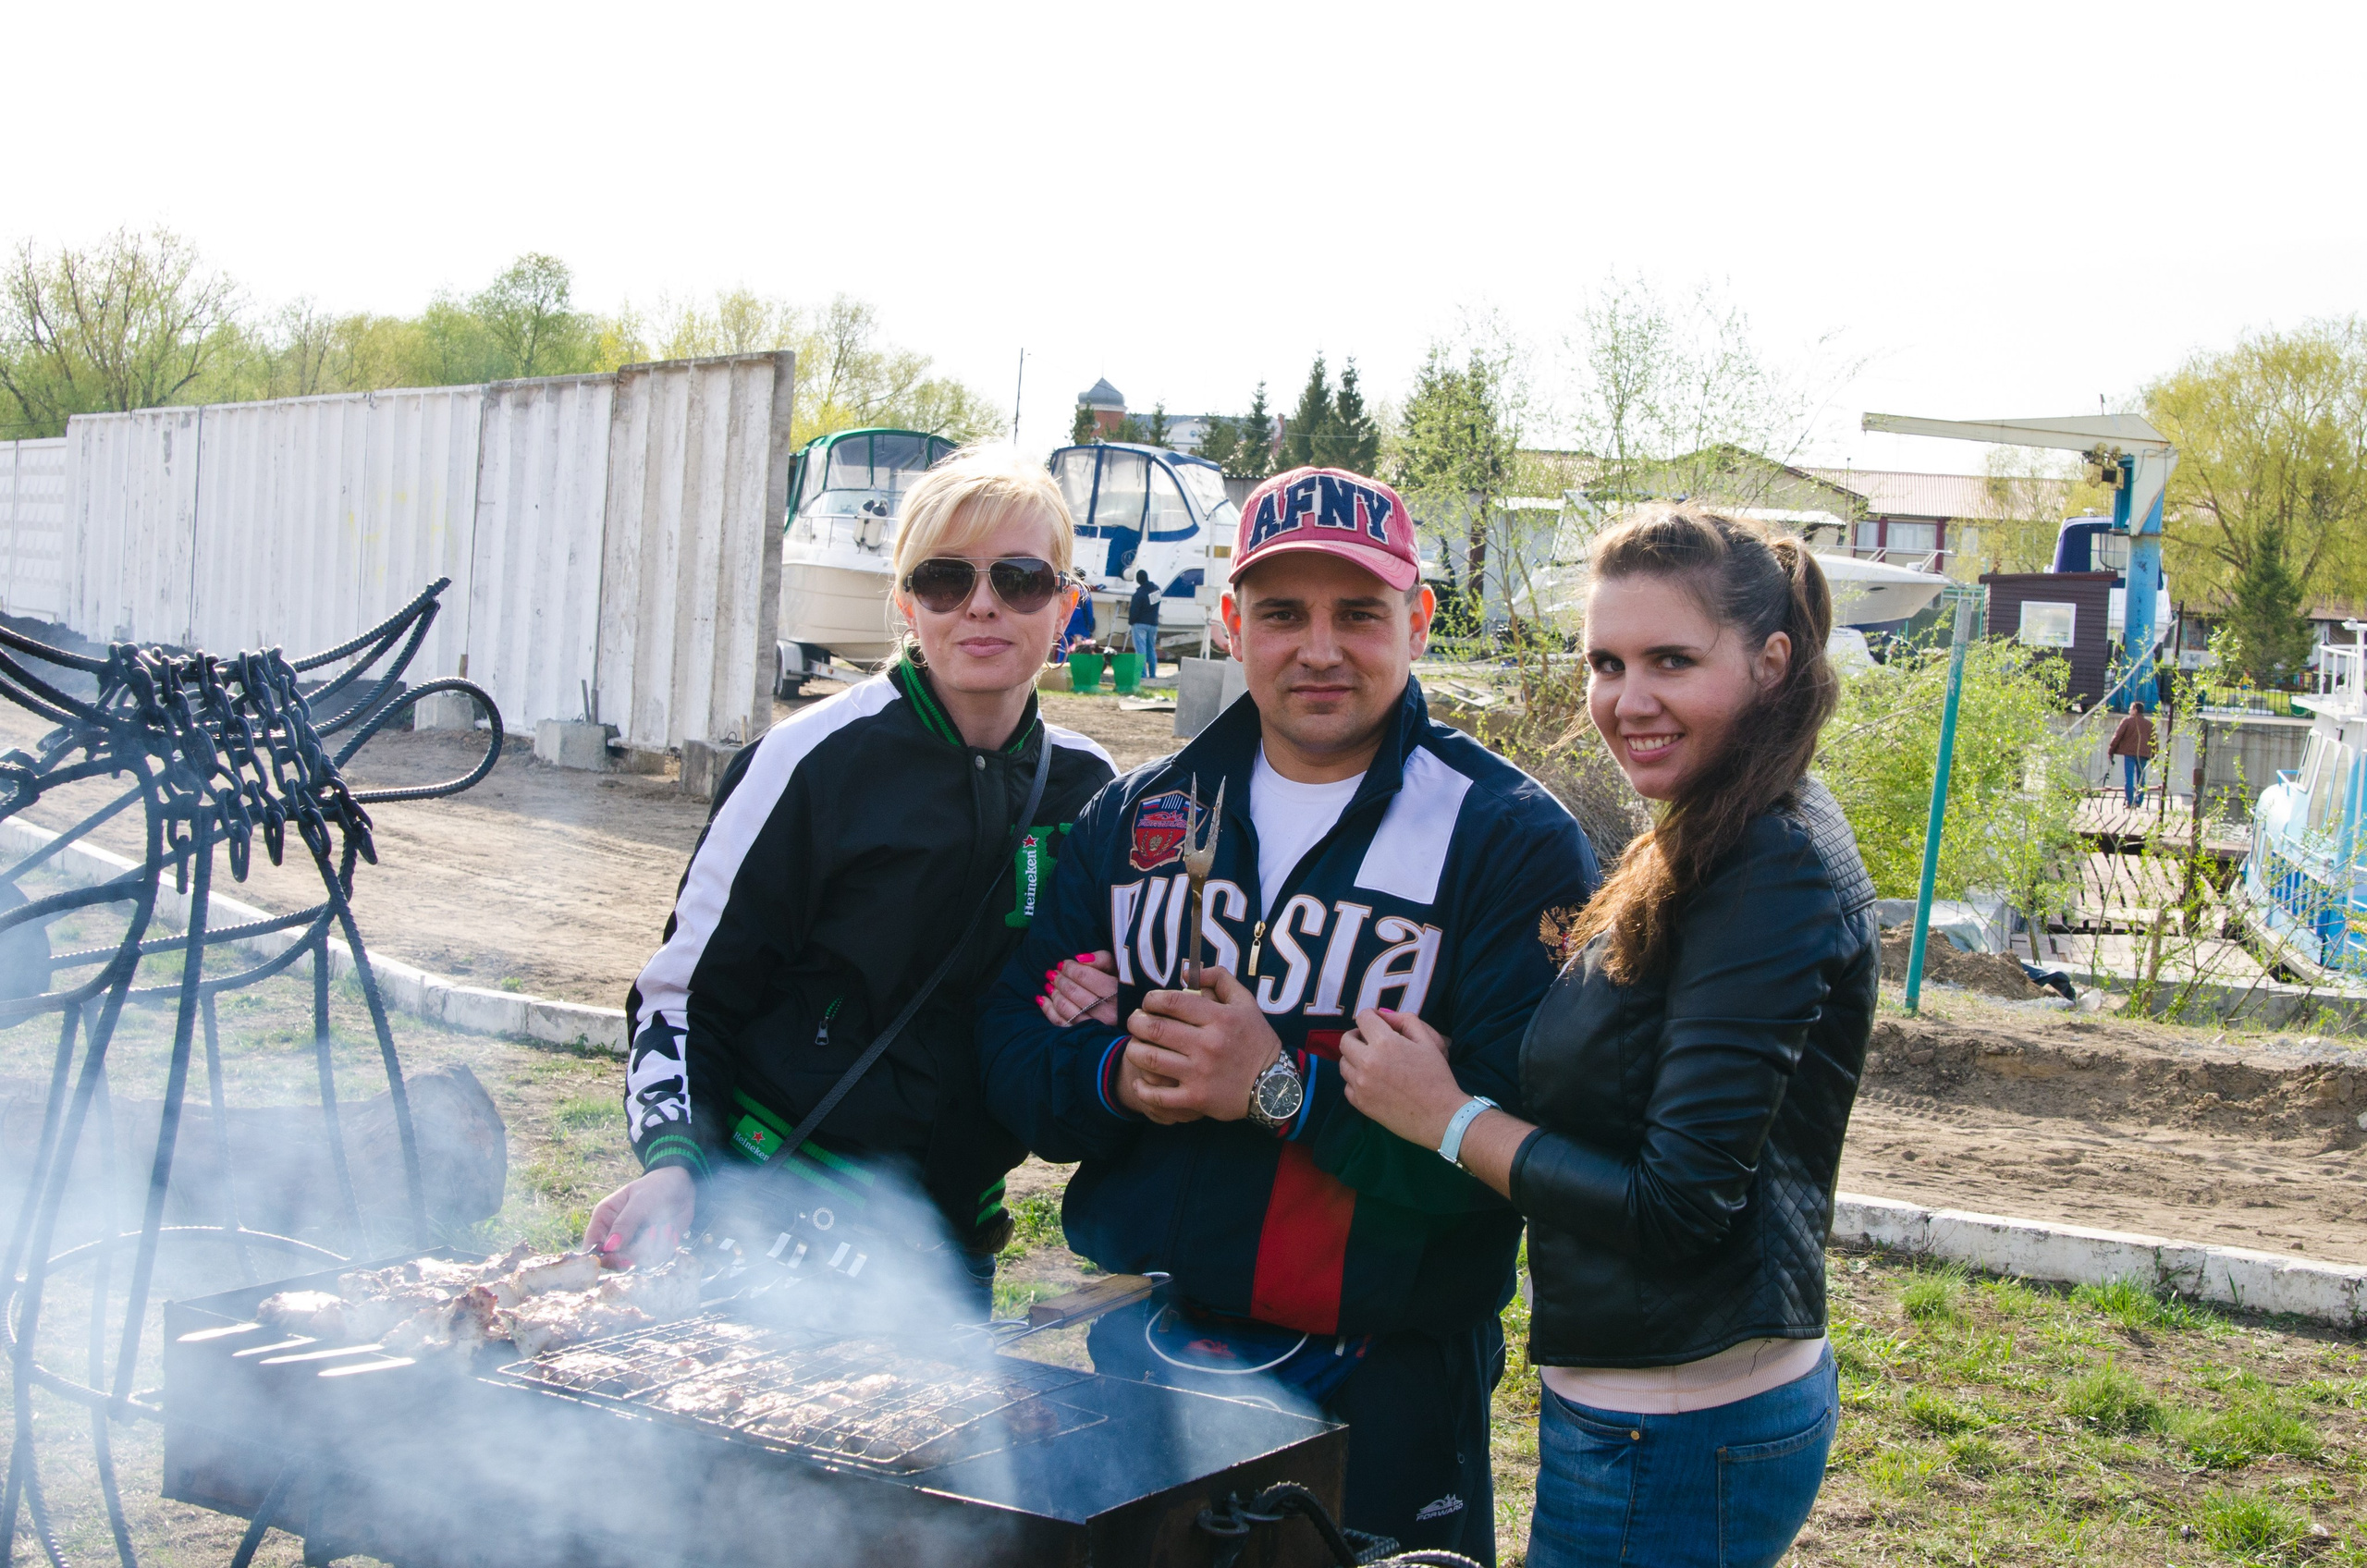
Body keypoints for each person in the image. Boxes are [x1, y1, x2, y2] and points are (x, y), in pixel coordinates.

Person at [979, 467, 1600, 1562]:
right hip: (1146, 1348)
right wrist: (1123, 1075)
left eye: (1357, 612)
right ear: (1231, 624)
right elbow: (1019, 1063)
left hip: (1388, 1378)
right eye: (1281, 613)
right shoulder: (1136, 817)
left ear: (1416, 618)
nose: (1319, 648)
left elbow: (1516, 1149)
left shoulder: (1508, 838)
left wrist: (1276, 1089)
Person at [1335, 506, 1874, 1568]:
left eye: (1672, 660)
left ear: (1770, 663)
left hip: (1674, 1424)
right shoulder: (1728, 826)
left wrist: (1446, 1119)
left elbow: (1675, 1207)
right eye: (1606, 662)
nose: (1628, 701)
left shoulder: (1763, 866)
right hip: (1666, 1403)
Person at [587, 447, 1116, 1316]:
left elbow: (1084, 1002)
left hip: (950, 1247)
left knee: (932, 1458)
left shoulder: (1091, 791)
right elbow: (683, 996)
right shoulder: (808, 760)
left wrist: (1103, 1005)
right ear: (907, 601)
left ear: (1067, 603)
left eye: (1020, 578)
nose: (981, 604)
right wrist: (677, 1161)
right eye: (946, 579)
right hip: (772, 1223)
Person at [2109, 700, 2155, 808]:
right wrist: (2154, 755)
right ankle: (2139, 801)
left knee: (2129, 777)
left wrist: (2111, 751)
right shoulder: (2149, 725)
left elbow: (2117, 737)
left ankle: (2130, 802)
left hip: (2129, 754)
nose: (2129, 711)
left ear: (2135, 710)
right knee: (2141, 778)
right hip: (2143, 754)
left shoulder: (2127, 722)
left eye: (2131, 709)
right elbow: (2154, 741)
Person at [1128, 568, 1161, 677]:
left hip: (1140, 624)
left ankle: (1143, 675)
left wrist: (1131, 621)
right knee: (1151, 649)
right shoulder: (1156, 590)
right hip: (1153, 623)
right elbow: (1155, 605)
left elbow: (1134, 611)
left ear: (1138, 580)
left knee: (1141, 651)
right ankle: (1153, 675)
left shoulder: (1139, 594)